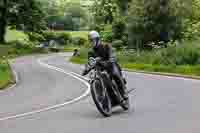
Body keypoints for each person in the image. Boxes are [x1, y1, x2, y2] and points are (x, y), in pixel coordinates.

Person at [82, 30, 128, 102]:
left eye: (92, 40)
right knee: (96, 80)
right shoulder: (91, 52)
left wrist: (111, 59)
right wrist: (86, 69)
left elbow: (112, 54)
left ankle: (123, 92)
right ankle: (102, 98)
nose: (91, 42)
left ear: (97, 39)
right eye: (90, 41)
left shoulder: (106, 46)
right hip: (101, 70)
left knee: (115, 74)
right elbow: (90, 62)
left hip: (111, 66)